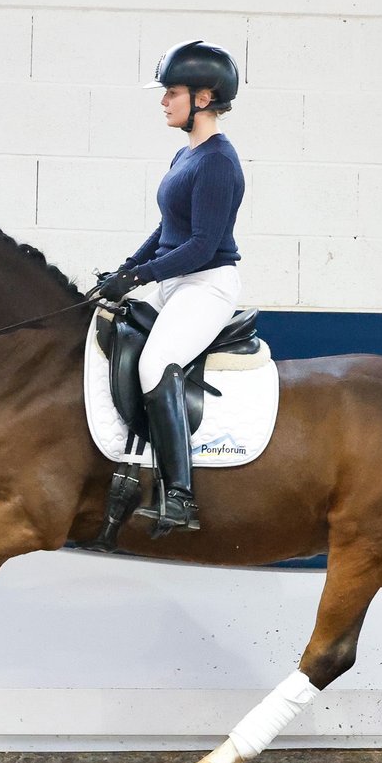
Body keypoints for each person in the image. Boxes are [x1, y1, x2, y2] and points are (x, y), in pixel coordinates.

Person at [95, 39, 245, 538]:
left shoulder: (218, 162)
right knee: (105, 326)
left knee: (157, 362)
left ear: (203, 98)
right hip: (174, 278)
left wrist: (140, 277)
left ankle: (179, 496)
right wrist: (125, 271)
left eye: (172, 92)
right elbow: (167, 231)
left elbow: (201, 246)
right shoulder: (187, 155)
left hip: (206, 283)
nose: (163, 101)